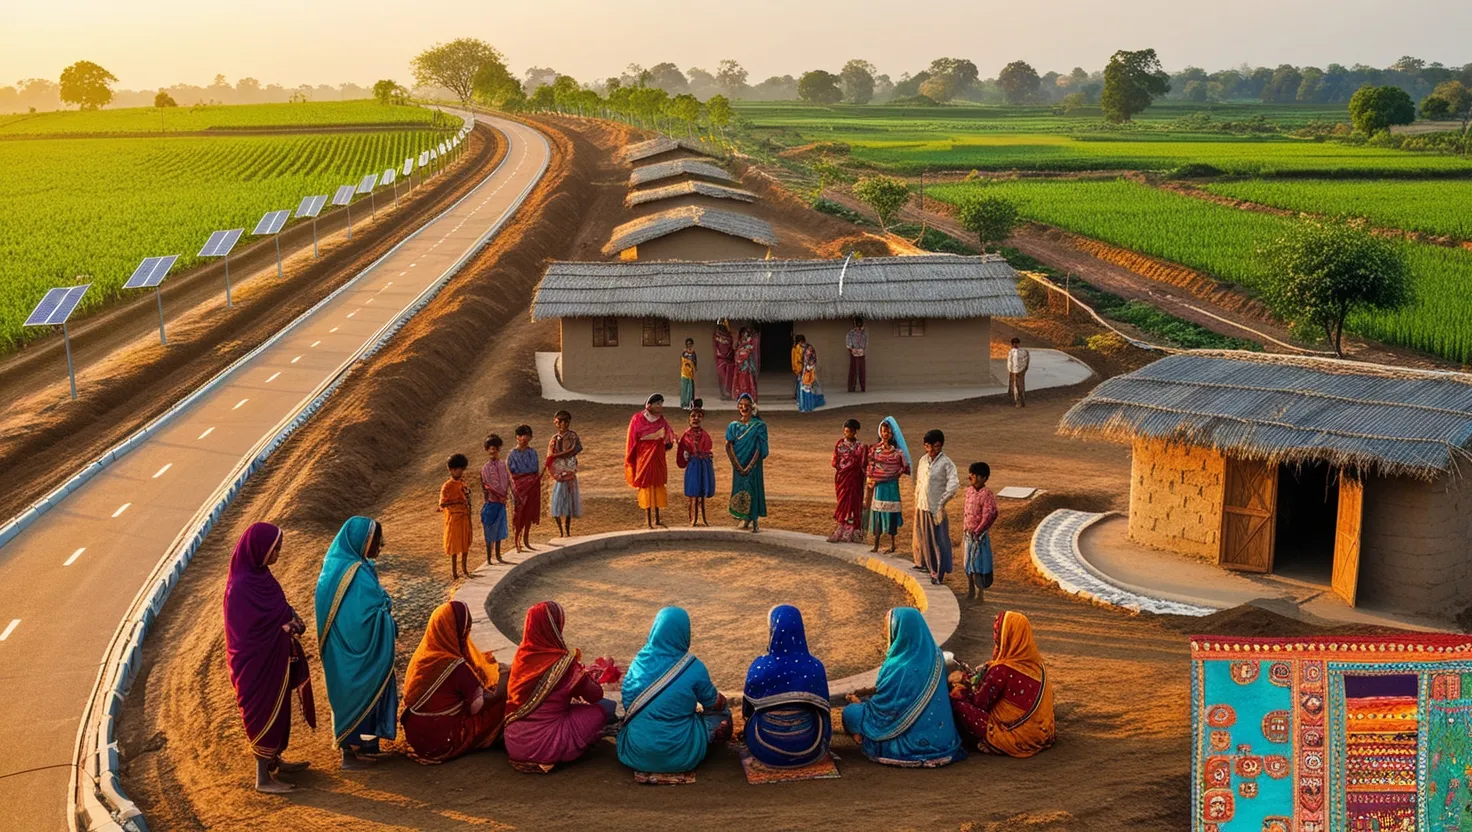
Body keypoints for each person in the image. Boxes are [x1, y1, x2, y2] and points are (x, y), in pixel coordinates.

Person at [224, 522, 315, 793]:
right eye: (274, 549)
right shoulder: (239, 587)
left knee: (280, 711)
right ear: (258, 549)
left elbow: (279, 608)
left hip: (276, 658)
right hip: (255, 665)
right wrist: (283, 630)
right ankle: (262, 778)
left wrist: (293, 620)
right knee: (263, 714)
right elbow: (245, 635)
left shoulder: (262, 577)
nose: (277, 554)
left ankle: (275, 759)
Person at [314, 516, 398, 769]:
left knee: (368, 695)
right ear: (363, 541)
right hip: (352, 651)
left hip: (348, 650)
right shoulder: (354, 572)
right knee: (357, 694)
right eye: (376, 542)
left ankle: (367, 746)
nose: (380, 547)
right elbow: (359, 617)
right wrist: (385, 614)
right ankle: (350, 754)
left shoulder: (344, 566)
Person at [503, 601, 618, 773]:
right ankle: (564, 749)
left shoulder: (521, 657)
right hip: (545, 745)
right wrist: (587, 676)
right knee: (604, 709)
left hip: (514, 741)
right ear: (556, 627)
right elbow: (595, 695)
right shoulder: (563, 664)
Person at [841, 607, 964, 768]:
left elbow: (886, 709)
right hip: (942, 739)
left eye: (887, 628)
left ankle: (862, 736)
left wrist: (858, 702)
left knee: (851, 712)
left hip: (902, 745)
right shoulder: (937, 657)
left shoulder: (896, 665)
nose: (885, 633)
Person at [617, 607, 732, 774]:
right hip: (682, 755)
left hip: (636, 753)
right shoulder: (693, 667)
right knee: (722, 716)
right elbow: (714, 703)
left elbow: (628, 702)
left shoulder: (639, 662)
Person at [401, 600, 506, 764]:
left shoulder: (422, 657)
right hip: (443, 740)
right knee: (501, 706)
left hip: (415, 736)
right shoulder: (455, 667)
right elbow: (476, 707)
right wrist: (501, 691)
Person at [950, 611, 1055, 758]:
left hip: (1014, 737)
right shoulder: (1038, 666)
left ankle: (992, 742)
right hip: (1042, 733)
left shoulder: (1002, 670)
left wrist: (962, 686)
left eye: (997, 632)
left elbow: (979, 702)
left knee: (957, 703)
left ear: (1007, 636)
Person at [742, 605, 832, 769]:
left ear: (772, 631)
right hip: (809, 749)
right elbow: (825, 710)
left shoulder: (760, 666)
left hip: (764, 748)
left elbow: (747, 710)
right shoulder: (815, 667)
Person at [913, 429, 960, 585]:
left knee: (938, 541)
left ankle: (938, 573)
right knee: (923, 539)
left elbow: (954, 485)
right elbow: (919, 482)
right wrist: (917, 500)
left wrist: (941, 503)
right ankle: (924, 565)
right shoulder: (922, 461)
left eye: (937, 446)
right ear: (926, 446)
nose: (933, 450)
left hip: (935, 508)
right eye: (930, 446)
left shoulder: (946, 463)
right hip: (922, 505)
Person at [625, 393, 676, 529]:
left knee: (658, 483)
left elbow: (668, 433)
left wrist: (668, 441)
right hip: (644, 455)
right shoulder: (638, 419)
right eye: (657, 403)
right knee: (647, 484)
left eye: (661, 403)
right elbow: (633, 437)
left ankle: (658, 519)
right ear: (650, 405)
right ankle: (648, 520)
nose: (660, 406)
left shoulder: (661, 420)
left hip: (658, 455)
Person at [866, 417, 911, 554]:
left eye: (888, 432)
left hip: (891, 487)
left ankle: (892, 544)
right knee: (878, 514)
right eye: (883, 431)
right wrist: (872, 479)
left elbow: (905, 468)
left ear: (892, 434)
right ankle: (876, 544)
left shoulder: (898, 453)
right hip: (879, 487)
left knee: (891, 515)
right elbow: (870, 466)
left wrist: (893, 473)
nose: (886, 434)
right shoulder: (874, 449)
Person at [726, 393, 768, 533]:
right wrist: (737, 465)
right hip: (738, 465)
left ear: (752, 408)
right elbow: (728, 445)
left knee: (753, 488)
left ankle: (754, 519)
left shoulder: (759, 426)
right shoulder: (733, 426)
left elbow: (759, 448)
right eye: (741, 405)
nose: (744, 408)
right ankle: (745, 518)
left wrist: (750, 466)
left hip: (753, 466)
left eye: (747, 406)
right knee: (740, 489)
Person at [963, 462, 999, 601]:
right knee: (968, 564)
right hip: (968, 534)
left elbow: (990, 514)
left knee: (979, 565)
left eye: (975, 475)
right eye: (971, 474)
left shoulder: (987, 494)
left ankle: (980, 594)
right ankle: (970, 589)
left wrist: (978, 531)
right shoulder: (969, 491)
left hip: (979, 536)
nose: (971, 477)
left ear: (983, 478)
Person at [676, 400, 715, 527]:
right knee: (693, 493)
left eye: (699, 416)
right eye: (693, 416)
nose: (696, 419)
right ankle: (692, 518)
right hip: (693, 465)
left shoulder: (705, 435)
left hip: (703, 465)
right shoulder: (686, 436)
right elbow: (681, 452)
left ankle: (703, 518)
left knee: (702, 493)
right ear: (689, 418)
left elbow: (708, 448)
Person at [829, 419, 868, 543]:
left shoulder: (861, 447)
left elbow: (863, 463)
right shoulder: (839, 445)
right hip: (842, 479)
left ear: (855, 432)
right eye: (845, 431)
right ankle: (841, 526)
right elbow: (835, 462)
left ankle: (852, 530)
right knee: (842, 502)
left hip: (855, 480)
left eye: (850, 431)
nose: (847, 434)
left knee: (854, 503)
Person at [546, 411, 582, 538]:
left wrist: (555, 456)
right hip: (559, 473)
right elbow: (550, 455)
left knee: (568, 505)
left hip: (568, 471)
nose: (561, 425)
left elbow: (572, 451)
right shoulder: (555, 438)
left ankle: (566, 531)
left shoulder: (572, 436)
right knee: (557, 503)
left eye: (563, 422)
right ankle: (561, 531)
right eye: (559, 422)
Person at [439, 454, 473, 579]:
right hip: (453, 519)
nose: (461, 471)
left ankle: (464, 569)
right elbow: (442, 503)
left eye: (462, 469)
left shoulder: (463, 483)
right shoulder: (447, 486)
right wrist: (458, 502)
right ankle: (454, 572)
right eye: (459, 469)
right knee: (454, 546)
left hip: (465, 517)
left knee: (465, 544)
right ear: (452, 470)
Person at [508, 425, 541, 553]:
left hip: (532, 486)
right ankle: (517, 540)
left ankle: (526, 539)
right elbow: (512, 475)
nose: (525, 438)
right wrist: (515, 490)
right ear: (517, 437)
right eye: (522, 435)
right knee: (518, 514)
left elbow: (535, 471)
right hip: (519, 488)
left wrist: (533, 482)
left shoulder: (533, 453)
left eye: (527, 435)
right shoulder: (512, 454)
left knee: (529, 513)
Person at [480, 435, 510, 565]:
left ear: (498, 449)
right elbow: (487, 486)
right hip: (491, 503)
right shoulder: (485, 468)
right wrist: (500, 496)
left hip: (501, 504)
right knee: (489, 531)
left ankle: (498, 555)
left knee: (499, 531)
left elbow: (507, 481)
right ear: (487, 450)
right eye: (490, 449)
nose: (492, 452)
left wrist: (506, 496)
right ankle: (489, 558)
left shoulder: (503, 465)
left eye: (495, 449)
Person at [732, 326, 759, 403]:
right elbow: (738, 355)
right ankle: (742, 397)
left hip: (749, 368)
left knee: (750, 383)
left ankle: (750, 397)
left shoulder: (750, 344)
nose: (746, 336)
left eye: (747, 334)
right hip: (742, 368)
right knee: (742, 384)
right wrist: (745, 353)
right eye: (744, 334)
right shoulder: (740, 345)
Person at [798, 341, 825, 412]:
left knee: (809, 387)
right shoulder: (806, 349)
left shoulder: (808, 350)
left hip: (809, 370)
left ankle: (809, 405)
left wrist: (808, 368)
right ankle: (810, 404)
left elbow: (809, 362)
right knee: (812, 386)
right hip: (808, 369)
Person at [712, 321, 735, 401]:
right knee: (722, 376)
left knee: (729, 376)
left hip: (728, 360)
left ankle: (729, 393)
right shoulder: (716, 337)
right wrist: (722, 355)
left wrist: (727, 354)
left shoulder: (729, 337)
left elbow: (730, 346)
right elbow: (716, 347)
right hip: (720, 360)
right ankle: (723, 393)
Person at [846, 317, 868, 393]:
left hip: (861, 353)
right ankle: (851, 388)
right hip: (854, 353)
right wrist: (852, 349)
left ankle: (863, 387)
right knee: (853, 371)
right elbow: (848, 343)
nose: (858, 327)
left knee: (862, 371)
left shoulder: (864, 334)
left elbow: (865, 343)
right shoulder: (851, 333)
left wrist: (862, 349)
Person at [1007, 337, 1030, 408]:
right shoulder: (1011, 352)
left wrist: (1024, 370)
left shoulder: (1023, 352)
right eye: (1013, 343)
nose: (1015, 344)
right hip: (1013, 371)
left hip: (1020, 371)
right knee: (1015, 386)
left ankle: (1022, 400)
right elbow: (1009, 362)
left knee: (1020, 385)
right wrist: (1011, 370)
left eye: (1016, 343)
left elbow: (1026, 361)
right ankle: (1016, 401)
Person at [679, 339, 698, 410]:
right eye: (687, 344)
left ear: (692, 344)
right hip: (684, 373)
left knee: (691, 389)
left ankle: (690, 404)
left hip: (691, 373)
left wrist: (694, 367)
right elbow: (682, 361)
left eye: (690, 344)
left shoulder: (693, 353)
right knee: (684, 388)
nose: (689, 345)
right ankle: (684, 404)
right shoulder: (684, 352)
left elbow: (695, 362)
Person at [790, 334, 807, 401]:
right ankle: (798, 394)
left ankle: (796, 394)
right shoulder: (798, 348)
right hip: (800, 367)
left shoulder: (793, 348)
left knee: (798, 381)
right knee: (800, 382)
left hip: (796, 367)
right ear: (801, 341)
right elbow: (799, 358)